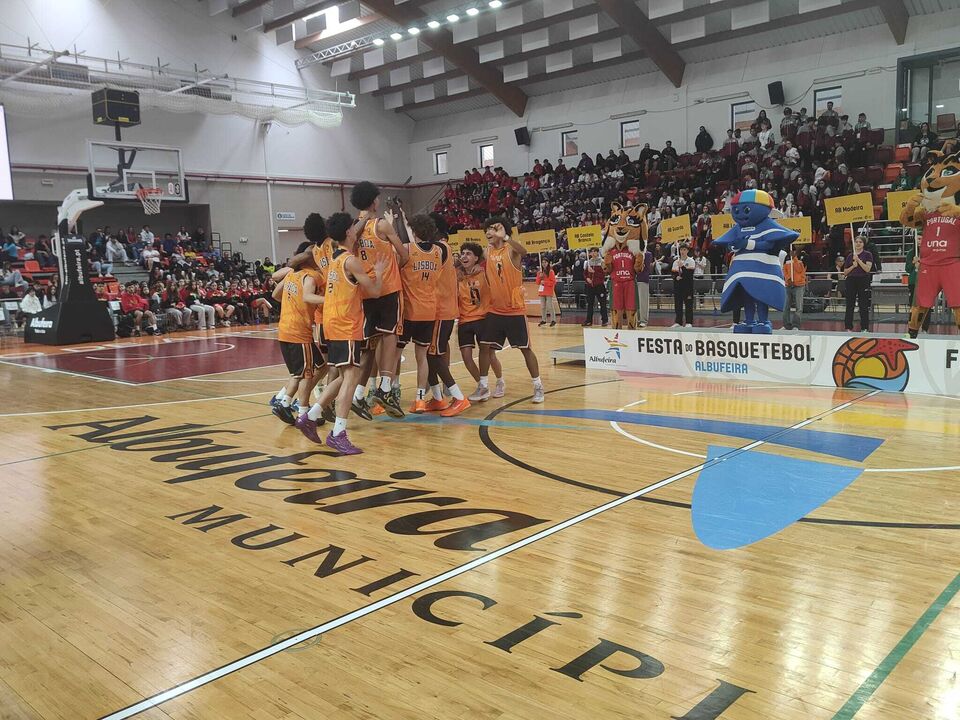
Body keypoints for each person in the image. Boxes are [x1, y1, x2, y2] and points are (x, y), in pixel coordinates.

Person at [311, 213, 387, 455]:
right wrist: (380, 271)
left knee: (345, 377)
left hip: (333, 323)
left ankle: (311, 415)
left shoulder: (335, 258)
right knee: (351, 378)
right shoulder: (351, 261)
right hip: (346, 324)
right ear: (348, 232)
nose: (357, 229)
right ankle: (338, 434)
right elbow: (374, 292)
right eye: (354, 226)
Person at [350, 182, 409, 419]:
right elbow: (404, 254)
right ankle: (385, 388)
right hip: (387, 288)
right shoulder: (382, 225)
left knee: (369, 346)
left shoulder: (352, 228)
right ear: (375, 201)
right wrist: (398, 263)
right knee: (390, 335)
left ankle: (358, 395)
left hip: (365, 292)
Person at [472, 215, 544, 403]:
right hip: (495, 309)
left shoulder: (511, 250)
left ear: (503, 231)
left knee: (525, 349)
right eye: (487, 229)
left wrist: (506, 238)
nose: (489, 232)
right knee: (485, 347)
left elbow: (524, 251)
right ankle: (485, 385)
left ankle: (538, 386)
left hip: (514, 310)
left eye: (494, 228)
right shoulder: (487, 252)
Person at [271, 241, 329, 444]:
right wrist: (329, 300)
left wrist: (291, 303)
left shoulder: (291, 275)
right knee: (305, 374)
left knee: (321, 367)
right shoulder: (311, 276)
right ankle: (302, 412)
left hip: (285, 329)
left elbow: (275, 295)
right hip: (298, 332)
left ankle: (287, 402)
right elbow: (308, 295)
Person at [427, 213, 471, 417]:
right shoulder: (441, 247)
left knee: (434, 355)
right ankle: (437, 398)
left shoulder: (441, 248)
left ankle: (459, 397)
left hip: (441, 309)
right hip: (438, 308)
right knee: (428, 354)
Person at [457, 242, 505, 397]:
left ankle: (499, 380)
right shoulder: (457, 275)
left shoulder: (484, 272)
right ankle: (481, 385)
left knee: (489, 353)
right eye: (462, 253)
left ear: (476, 258)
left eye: (468, 253)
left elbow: (490, 257)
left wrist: (481, 264)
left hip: (483, 317)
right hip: (464, 320)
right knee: (466, 356)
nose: (464, 256)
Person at [842, 235, 873, 332]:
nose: (858, 243)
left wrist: (858, 260)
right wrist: (853, 266)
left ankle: (864, 328)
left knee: (863, 304)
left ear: (863, 244)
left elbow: (867, 269)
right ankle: (848, 327)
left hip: (863, 280)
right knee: (850, 304)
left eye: (860, 242)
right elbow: (845, 272)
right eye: (856, 242)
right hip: (851, 280)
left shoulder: (868, 254)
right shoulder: (850, 256)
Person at [782, 247, 807, 330]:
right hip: (788, 285)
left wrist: (795, 258)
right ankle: (786, 325)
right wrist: (788, 279)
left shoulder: (802, 257)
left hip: (799, 285)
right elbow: (784, 270)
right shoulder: (786, 258)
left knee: (798, 306)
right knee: (786, 306)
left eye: (793, 251)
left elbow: (800, 270)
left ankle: (795, 325)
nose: (791, 252)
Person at [582, 247, 608, 327]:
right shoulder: (588, 262)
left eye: (594, 252)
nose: (593, 253)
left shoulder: (602, 262)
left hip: (599, 285)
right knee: (590, 303)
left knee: (602, 303)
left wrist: (594, 272)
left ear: (597, 252)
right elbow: (585, 274)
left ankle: (604, 320)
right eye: (591, 252)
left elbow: (604, 274)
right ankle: (589, 320)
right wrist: (587, 279)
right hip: (590, 286)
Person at [671, 243, 695, 327]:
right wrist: (676, 277)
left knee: (688, 305)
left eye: (684, 250)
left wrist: (683, 267)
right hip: (678, 287)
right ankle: (678, 322)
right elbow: (673, 274)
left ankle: (689, 322)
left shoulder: (691, 261)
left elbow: (689, 274)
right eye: (681, 250)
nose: (682, 251)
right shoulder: (675, 262)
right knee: (678, 305)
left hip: (687, 286)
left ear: (687, 251)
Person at [536, 257, 558, 327]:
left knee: (549, 306)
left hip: (548, 291)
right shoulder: (540, 272)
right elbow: (537, 282)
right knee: (542, 306)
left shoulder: (551, 271)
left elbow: (553, 282)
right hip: (542, 291)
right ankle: (543, 319)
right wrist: (539, 277)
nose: (544, 264)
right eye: (542, 262)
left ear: (548, 263)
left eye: (545, 262)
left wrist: (545, 282)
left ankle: (553, 320)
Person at [636, 242, 654, 327]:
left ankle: (643, 320)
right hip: (633, 280)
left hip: (643, 280)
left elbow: (644, 264)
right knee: (635, 302)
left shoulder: (648, 254)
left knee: (643, 302)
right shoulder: (634, 254)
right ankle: (636, 319)